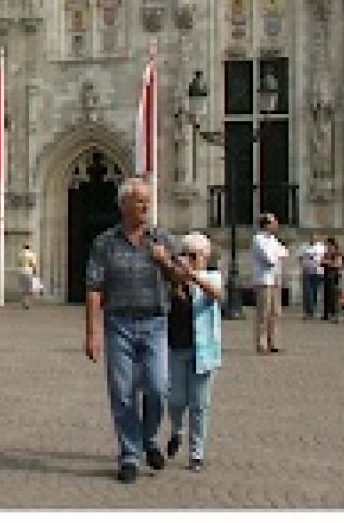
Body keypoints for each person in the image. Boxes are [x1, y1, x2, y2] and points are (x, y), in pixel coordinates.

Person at [84, 177, 187, 483]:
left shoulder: (162, 239)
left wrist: (165, 262)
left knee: (157, 387)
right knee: (122, 392)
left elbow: (181, 279)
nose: (145, 206)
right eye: (140, 201)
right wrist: (92, 332)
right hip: (119, 323)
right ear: (123, 205)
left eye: (147, 201)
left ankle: (149, 437)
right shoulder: (105, 243)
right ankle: (130, 455)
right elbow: (94, 288)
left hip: (155, 322)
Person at [163, 232, 224, 472]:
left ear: (204, 258)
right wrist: (175, 275)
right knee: (176, 400)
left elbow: (216, 294)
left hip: (204, 351)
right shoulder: (173, 281)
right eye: (185, 254)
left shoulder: (212, 277)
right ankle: (177, 430)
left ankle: (196, 453)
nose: (188, 259)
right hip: (176, 348)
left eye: (193, 255)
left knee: (200, 404)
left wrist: (193, 277)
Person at [250, 213, 289, 354]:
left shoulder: (273, 239)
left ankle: (274, 342)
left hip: (275, 278)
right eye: (273, 222)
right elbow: (269, 259)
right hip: (264, 280)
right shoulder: (258, 239)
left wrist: (277, 254)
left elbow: (285, 252)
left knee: (276, 312)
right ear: (266, 225)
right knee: (263, 313)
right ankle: (261, 343)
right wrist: (277, 255)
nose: (276, 225)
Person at [298, 232, 328, 320]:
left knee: (315, 292)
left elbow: (325, 257)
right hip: (307, 271)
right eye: (312, 237)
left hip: (319, 272)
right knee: (307, 292)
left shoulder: (322, 247)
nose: (313, 239)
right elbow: (300, 258)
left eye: (315, 237)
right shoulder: (304, 247)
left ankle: (315, 310)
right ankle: (308, 312)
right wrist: (303, 267)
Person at [320, 236, 344, 323]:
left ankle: (334, 314)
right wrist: (327, 262)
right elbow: (321, 262)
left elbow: (338, 264)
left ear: (333, 245)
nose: (327, 247)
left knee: (333, 296)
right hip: (326, 275)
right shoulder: (326, 254)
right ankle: (326, 314)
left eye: (328, 245)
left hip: (334, 276)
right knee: (326, 295)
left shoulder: (338, 254)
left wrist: (328, 262)